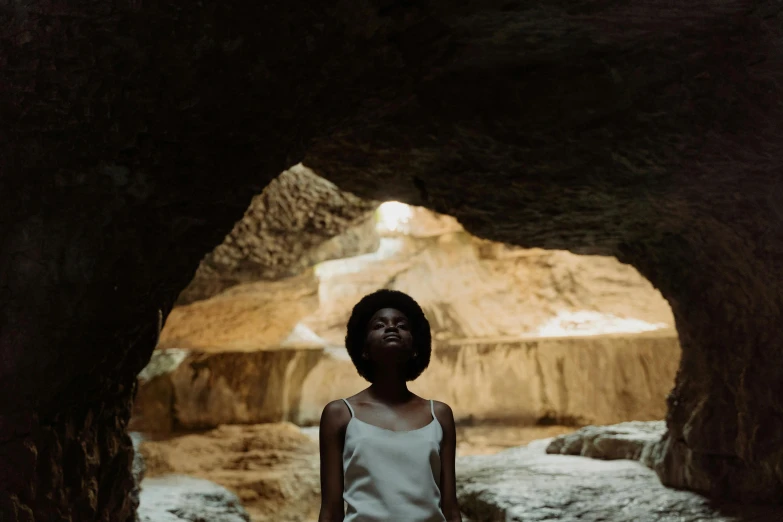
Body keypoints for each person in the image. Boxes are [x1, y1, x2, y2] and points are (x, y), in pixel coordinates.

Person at [317, 289, 462, 522]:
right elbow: (331, 510)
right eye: (378, 325)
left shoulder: (440, 415)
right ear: (363, 349)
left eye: (402, 325)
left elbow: (450, 508)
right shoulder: (340, 414)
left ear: (416, 347)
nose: (391, 328)